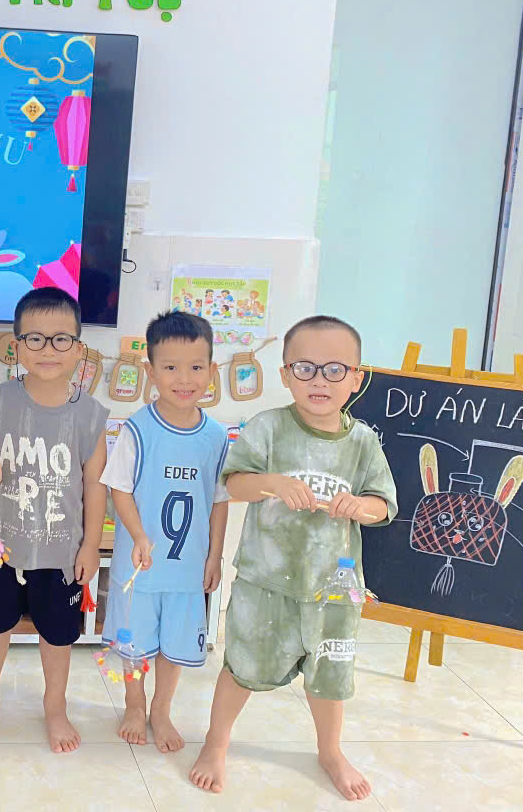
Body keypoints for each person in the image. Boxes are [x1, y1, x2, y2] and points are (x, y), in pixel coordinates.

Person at [189, 315, 397, 801]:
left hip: (333, 591)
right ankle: (216, 743)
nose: (319, 381)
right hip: (265, 583)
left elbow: (383, 506)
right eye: (305, 368)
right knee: (242, 667)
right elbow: (235, 484)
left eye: (334, 369)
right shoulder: (268, 427)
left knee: (329, 678)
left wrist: (359, 506)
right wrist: (274, 483)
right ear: (285, 375)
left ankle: (330, 751)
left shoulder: (363, 442)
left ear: (357, 378)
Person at [0, 287, 108, 753]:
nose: (48, 349)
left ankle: (55, 708)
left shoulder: (91, 414)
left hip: (62, 551)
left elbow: (95, 485)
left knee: (58, 635)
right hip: (2, 547)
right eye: (36, 339)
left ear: (78, 348)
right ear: (17, 346)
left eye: (61, 339)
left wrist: (90, 546)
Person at [102, 311, 228, 753]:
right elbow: (119, 489)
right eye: (171, 367)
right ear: (151, 371)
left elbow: (219, 500)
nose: (184, 378)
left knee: (174, 644)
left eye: (196, 367)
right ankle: (134, 704)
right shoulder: (137, 429)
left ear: (212, 371)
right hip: (140, 568)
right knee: (135, 643)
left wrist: (214, 556)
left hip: (186, 570)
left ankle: (161, 708)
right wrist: (139, 535)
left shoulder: (216, 437)